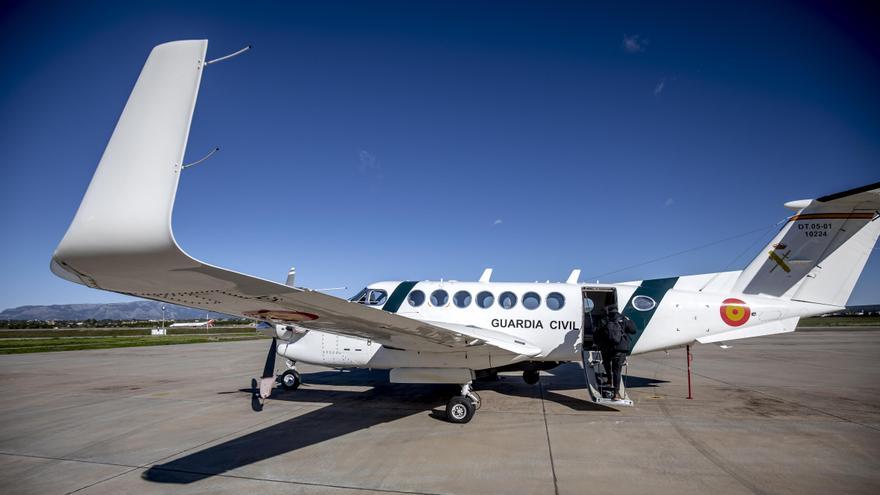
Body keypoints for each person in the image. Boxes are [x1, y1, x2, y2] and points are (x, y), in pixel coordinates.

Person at [593, 304, 637, 400]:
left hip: (606, 348)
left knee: (607, 364)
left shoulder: (604, 320)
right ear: (617, 310)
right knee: (617, 371)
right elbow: (633, 330)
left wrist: (598, 344)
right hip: (619, 349)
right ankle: (616, 394)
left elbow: (596, 334)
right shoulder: (623, 319)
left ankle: (609, 380)